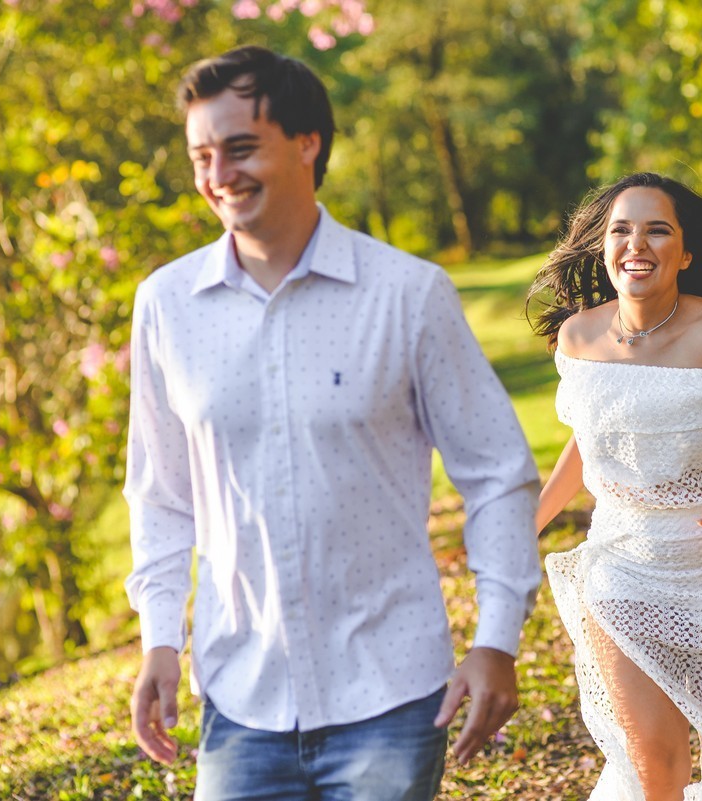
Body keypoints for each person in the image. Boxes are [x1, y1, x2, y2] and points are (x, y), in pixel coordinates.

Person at [123, 45, 541, 801]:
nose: (218, 176)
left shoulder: (407, 294)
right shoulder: (166, 306)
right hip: (240, 698)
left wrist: (497, 638)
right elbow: (160, 495)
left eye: (240, 148)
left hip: (390, 691)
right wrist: (159, 638)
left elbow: (497, 474)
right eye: (202, 157)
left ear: (307, 142)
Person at [527, 172, 702, 800]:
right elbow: (591, 440)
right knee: (657, 770)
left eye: (657, 230)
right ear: (604, 247)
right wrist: (529, 523)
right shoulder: (579, 338)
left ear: (685, 254)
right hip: (622, 564)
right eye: (621, 230)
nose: (637, 244)